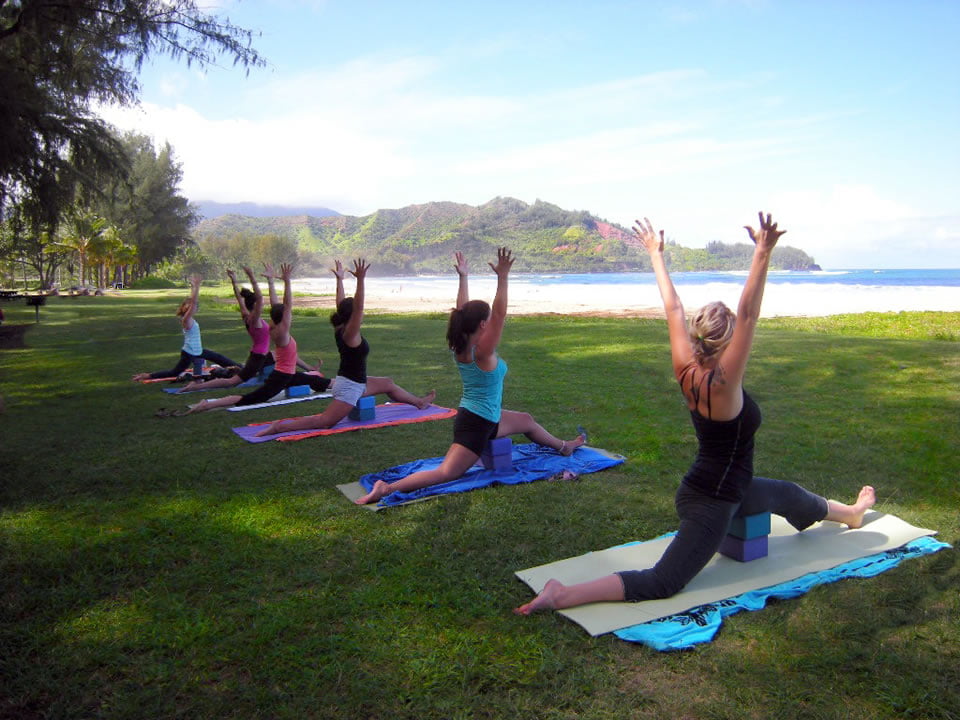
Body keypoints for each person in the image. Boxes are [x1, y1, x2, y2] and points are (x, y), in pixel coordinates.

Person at [515, 212, 876, 616]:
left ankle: (852, 515)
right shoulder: (723, 385)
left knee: (787, 494)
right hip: (713, 503)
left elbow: (672, 308)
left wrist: (655, 254)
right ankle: (561, 593)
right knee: (662, 582)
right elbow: (751, 313)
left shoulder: (687, 369)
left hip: (714, 488)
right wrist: (762, 252)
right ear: (728, 342)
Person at [354, 247, 586, 505]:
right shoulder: (483, 353)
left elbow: (462, 310)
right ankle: (387, 488)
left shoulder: (462, 345)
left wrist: (463, 277)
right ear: (484, 325)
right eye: (487, 320)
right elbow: (499, 313)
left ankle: (565, 446)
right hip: (476, 423)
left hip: (485, 416)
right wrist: (503, 277)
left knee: (526, 420)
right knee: (447, 472)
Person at [253, 258, 435, 437]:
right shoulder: (350, 334)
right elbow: (359, 307)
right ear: (353, 316)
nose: (361, 316)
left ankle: (419, 403)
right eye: (357, 314)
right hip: (350, 387)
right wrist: (360, 280)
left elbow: (341, 305)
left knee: (387, 383)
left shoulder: (341, 327)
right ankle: (279, 427)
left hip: (355, 381)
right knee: (324, 422)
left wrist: (339, 280)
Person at [186, 263, 331, 413]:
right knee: (246, 397)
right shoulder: (279, 331)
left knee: (322, 382)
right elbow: (287, 305)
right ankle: (207, 404)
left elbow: (277, 304)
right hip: (278, 375)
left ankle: (344, 385)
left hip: (287, 373)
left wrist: (270, 281)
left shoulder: (273, 325)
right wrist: (286, 281)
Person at [132, 275, 239, 381]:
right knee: (174, 372)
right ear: (184, 308)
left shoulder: (189, 318)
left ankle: (241, 368)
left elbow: (192, 302)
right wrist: (197, 287)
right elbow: (193, 303)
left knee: (219, 358)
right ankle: (147, 376)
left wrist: (193, 287)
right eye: (187, 305)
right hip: (190, 352)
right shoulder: (186, 319)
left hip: (198, 350)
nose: (191, 307)